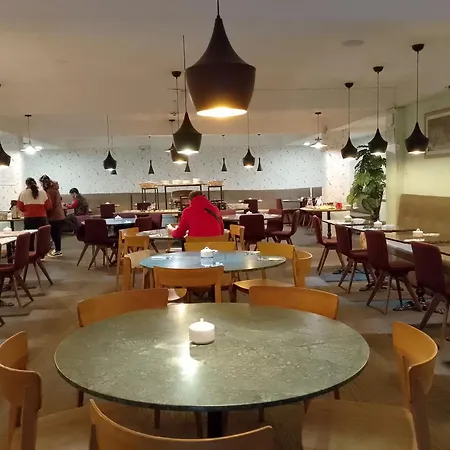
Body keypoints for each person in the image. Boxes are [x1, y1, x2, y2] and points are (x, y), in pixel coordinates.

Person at [17, 178, 51, 250]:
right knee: (41, 238)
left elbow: (20, 207)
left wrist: (27, 210)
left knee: (29, 238)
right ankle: (41, 254)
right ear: (35, 183)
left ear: (26, 184)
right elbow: (48, 206)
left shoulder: (23, 193)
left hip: (29, 219)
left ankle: (30, 253)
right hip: (41, 218)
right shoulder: (43, 192)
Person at [39, 175, 65, 257]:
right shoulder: (55, 189)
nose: (41, 185)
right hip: (59, 215)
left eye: (41, 183)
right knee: (56, 234)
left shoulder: (50, 191)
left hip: (54, 216)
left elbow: (50, 205)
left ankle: (58, 251)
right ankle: (58, 250)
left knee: (54, 234)